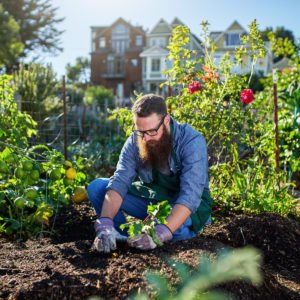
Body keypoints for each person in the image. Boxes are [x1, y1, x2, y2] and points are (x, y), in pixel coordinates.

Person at [87, 94, 212, 253]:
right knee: (97, 187)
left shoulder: (191, 141)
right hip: (155, 200)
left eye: (152, 131)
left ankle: (175, 236)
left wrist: (162, 232)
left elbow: (191, 195)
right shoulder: (135, 141)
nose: (145, 138)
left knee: (173, 230)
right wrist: (104, 224)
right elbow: (120, 181)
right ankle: (119, 239)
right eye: (140, 131)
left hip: (186, 206)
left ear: (166, 120)